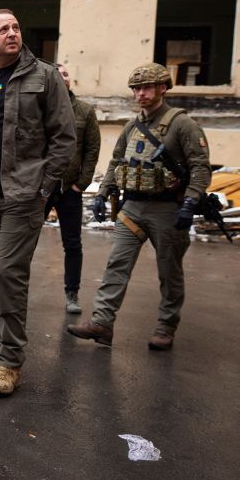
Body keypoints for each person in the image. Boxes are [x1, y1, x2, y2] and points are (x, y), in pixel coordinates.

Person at [0, 9, 75, 395]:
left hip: (22, 198)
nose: (13, 33)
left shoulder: (45, 77)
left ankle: (10, 361)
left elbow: (64, 137)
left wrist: (44, 188)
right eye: (3, 28)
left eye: (17, 27)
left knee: (8, 274)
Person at [67, 63, 211, 351]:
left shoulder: (183, 124)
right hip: (132, 207)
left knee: (169, 272)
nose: (140, 93)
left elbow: (200, 166)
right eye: (136, 88)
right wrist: (102, 193)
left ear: (162, 88)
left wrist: (191, 201)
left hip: (167, 208)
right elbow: (117, 161)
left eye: (146, 87)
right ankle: (102, 323)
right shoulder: (132, 126)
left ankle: (166, 326)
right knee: (116, 266)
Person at [44, 64, 101, 314]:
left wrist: (82, 183)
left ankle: (72, 294)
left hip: (70, 189)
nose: (62, 78)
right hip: (41, 188)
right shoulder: (39, 109)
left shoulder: (85, 112)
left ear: (70, 79)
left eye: (65, 74)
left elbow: (92, 149)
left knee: (73, 244)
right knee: (24, 241)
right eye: (56, 75)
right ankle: (16, 292)